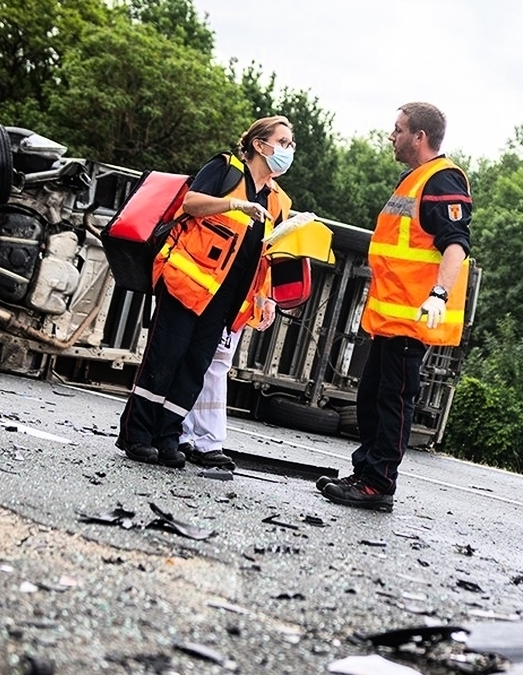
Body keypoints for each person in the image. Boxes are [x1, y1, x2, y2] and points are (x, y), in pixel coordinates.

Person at [318, 102, 472, 511]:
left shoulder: (442, 179)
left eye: (398, 129)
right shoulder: (416, 180)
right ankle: (367, 472)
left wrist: (439, 294)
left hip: (411, 316)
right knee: (371, 400)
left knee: (392, 402)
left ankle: (379, 483)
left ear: (419, 137)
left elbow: (455, 242)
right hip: (391, 317)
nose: (392, 135)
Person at [117, 116, 295, 468]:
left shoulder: (277, 201)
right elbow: (191, 204)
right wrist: (235, 205)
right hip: (187, 284)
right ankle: (137, 435)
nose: (289, 151)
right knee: (164, 359)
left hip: (226, 299)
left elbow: (265, 256)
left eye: (291, 145)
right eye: (284, 142)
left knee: (194, 367)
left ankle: (168, 438)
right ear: (260, 145)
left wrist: (265, 295)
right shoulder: (225, 168)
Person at [177, 326, 242, 471]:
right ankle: (200, 439)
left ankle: (183, 433)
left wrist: (267, 302)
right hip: (231, 309)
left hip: (233, 310)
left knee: (215, 360)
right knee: (214, 362)